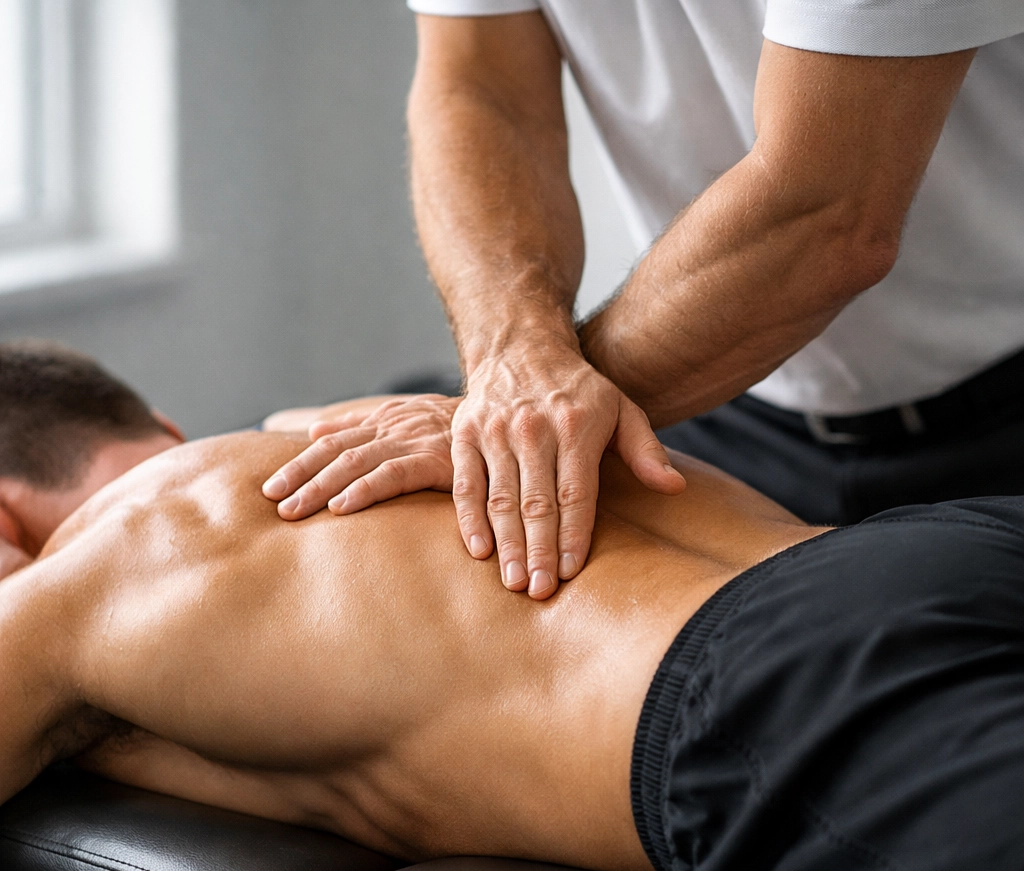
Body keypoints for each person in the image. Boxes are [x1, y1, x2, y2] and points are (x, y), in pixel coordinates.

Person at [4, 341, 1024, 871]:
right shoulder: (360, 421)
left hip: (770, 684)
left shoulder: (78, 588)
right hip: (929, 544)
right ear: (163, 430)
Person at [264, 2, 1024, 603]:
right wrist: (515, 363)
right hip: (723, 406)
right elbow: (481, 92)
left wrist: (538, 416)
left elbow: (826, 215)